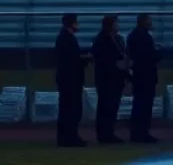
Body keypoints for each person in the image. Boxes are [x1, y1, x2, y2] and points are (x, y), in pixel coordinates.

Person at [91, 15, 129, 144]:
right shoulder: (102, 39)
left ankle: (109, 132)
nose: (118, 25)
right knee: (105, 107)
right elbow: (100, 59)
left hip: (116, 79)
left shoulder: (118, 39)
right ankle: (104, 134)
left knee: (112, 107)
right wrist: (115, 64)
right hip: (106, 79)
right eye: (116, 23)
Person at [54, 13, 89, 147]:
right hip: (70, 79)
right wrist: (84, 60)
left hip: (67, 78)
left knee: (68, 108)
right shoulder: (66, 38)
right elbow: (71, 60)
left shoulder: (64, 37)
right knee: (71, 109)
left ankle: (68, 137)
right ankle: (69, 137)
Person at [126, 13, 162, 142]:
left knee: (138, 104)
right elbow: (151, 56)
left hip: (137, 75)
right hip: (146, 75)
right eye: (149, 21)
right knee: (145, 105)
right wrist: (158, 53)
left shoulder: (132, 36)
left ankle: (136, 133)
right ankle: (142, 133)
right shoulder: (146, 37)